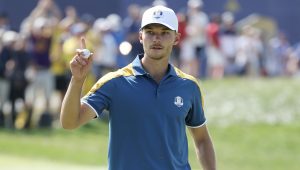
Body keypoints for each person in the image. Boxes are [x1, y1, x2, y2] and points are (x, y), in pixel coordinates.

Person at [60, 5, 216, 170]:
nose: (157, 39)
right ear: (141, 36)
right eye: (150, 32)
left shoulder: (189, 86)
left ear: (176, 38)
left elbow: (202, 139)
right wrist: (77, 80)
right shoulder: (114, 82)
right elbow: (70, 122)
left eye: (164, 33)